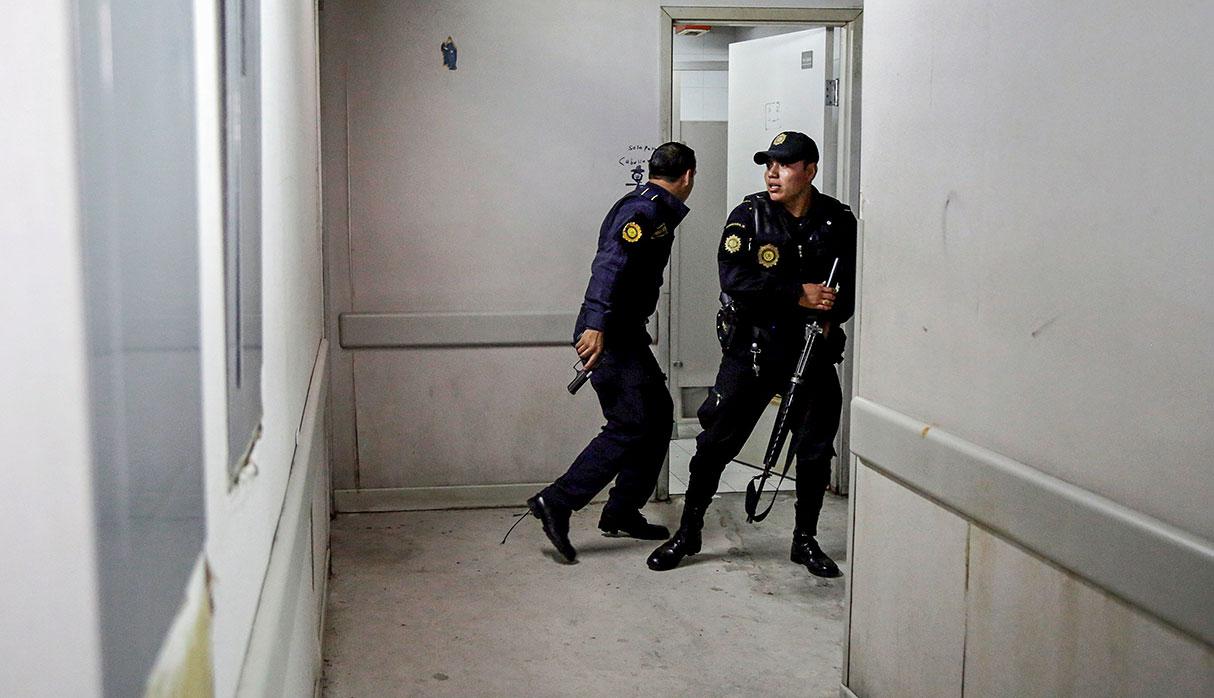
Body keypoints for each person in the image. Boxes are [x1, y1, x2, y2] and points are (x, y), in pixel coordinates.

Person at [647, 131, 856, 577]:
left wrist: (832, 314)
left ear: (810, 170)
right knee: (715, 443)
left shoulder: (838, 221)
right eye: (768, 165)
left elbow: (850, 291)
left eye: (783, 165)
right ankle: (688, 532)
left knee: (816, 451)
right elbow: (734, 279)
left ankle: (805, 539)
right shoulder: (750, 214)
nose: (772, 173)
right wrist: (798, 293)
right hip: (755, 350)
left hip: (811, 353)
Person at [527, 142, 696, 563]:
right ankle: (558, 501)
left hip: (625, 332)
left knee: (657, 416)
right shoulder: (643, 211)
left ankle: (622, 510)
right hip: (610, 334)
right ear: (689, 177)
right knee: (630, 423)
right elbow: (609, 264)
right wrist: (597, 324)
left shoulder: (654, 206)